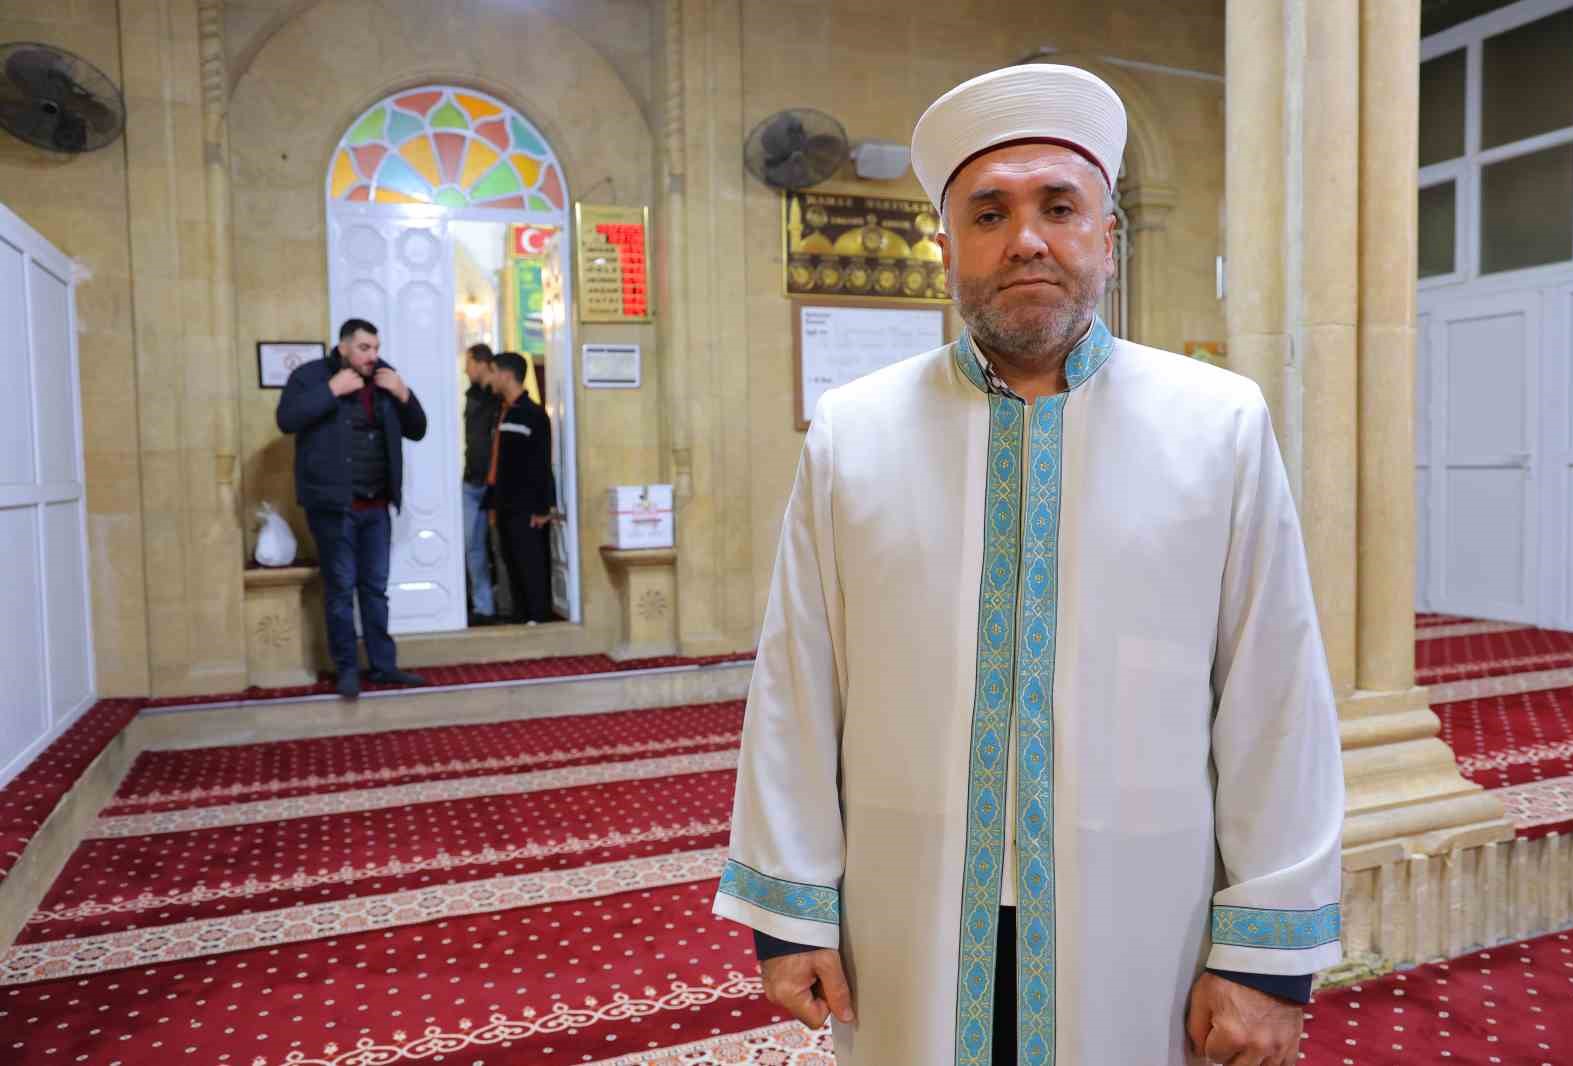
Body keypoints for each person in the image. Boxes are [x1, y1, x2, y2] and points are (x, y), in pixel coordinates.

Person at [712, 64, 1343, 1066]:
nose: (1026, 240)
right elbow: (798, 683)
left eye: (1058, 206)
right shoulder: (854, 434)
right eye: (988, 213)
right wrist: (790, 914)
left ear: (1107, 235)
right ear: (946, 246)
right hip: (905, 917)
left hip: (1145, 921)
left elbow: (1275, 694)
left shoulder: (1218, 425)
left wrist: (1266, 957)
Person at [275, 318, 429, 699]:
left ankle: (383, 666)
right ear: (343, 347)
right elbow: (286, 420)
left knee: (375, 590)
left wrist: (404, 393)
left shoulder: (385, 377)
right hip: (333, 506)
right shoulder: (311, 377)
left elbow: (418, 429)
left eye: (375, 348)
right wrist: (331, 390)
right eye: (364, 348)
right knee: (341, 590)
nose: (372, 356)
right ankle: (346, 670)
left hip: (376, 505)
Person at [485, 351, 556, 625]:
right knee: (512, 564)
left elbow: (541, 464)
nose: (490, 378)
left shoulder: (533, 414)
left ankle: (539, 621)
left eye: (493, 372)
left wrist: (542, 507)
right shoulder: (502, 411)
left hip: (526, 507)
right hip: (504, 504)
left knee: (530, 566)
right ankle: (521, 620)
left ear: (506, 375)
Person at [461, 342, 500, 624]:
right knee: (472, 546)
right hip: (472, 480)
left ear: (482, 363)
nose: (466, 369)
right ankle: (483, 607)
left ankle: (507, 605)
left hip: (495, 481)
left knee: (499, 546)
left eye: (468, 363)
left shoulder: (498, 397)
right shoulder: (471, 396)